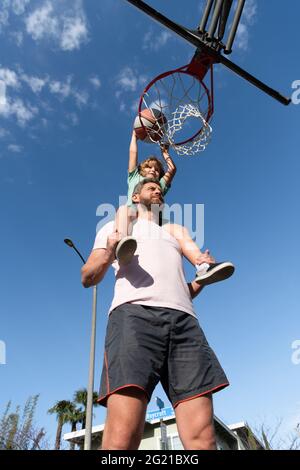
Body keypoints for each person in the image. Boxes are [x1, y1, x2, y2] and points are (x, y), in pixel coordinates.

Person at [81, 178, 231, 450]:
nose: (158, 189)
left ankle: (201, 265)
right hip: (134, 318)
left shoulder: (173, 230)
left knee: (203, 438)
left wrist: (201, 280)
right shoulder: (114, 225)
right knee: (122, 437)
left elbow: (185, 291)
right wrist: (109, 251)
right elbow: (87, 277)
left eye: (159, 188)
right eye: (151, 187)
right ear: (136, 197)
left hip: (184, 323)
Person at [115, 129, 235, 286]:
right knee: (124, 210)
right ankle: (122, 245)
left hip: (155, 221)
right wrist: (134, 136)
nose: (153, 170)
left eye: (157, 169)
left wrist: (165, 153)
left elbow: (172, 169)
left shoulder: (160, 185)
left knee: (179, 230)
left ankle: (203, 265)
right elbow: (132, 153)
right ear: (142, 169)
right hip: (136, 213)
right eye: (149, 167)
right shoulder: (134, 177)